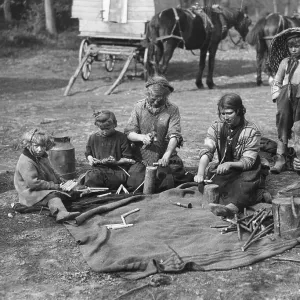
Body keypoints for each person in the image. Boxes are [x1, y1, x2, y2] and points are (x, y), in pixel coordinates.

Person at [194, 93, 264, 218]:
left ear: (238, 111)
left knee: (243, 186)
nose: (225, 117)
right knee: (207, 185)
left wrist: (230, 164)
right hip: (226, 169)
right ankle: (251, 196)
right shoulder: (216, 127)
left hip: (247, 169)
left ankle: (233, 208)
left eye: (229, 113)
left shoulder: (252, 131)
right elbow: (207, 150)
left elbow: (248, 161)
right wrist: (200, 173)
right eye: (222, 113)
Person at [124, 75, 192, 192]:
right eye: (153, 98)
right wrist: (141, 137)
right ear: (148, 94)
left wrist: (167, 155)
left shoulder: (172, 109)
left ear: (166, 96)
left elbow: (174, 135)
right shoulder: (139, 107)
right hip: (141, 157)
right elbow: (129, 132)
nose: (155, 101)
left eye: (160, 99)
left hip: (164, 156)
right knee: (134, 182)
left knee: (167, 181)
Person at [14, 128, 80, 223]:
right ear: (28, 145)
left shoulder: (41, 156)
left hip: (41, 188)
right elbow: (33, 184)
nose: (40, 149)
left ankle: (60, 204)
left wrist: (62, 181)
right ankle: (61, 214)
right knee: (53, 195)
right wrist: (56, 186)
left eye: (43, 146)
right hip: (30, 193)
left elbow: (52, 171)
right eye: (36, 146)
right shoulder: (26, 161)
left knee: (70, 193)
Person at [270, 28, 300, 174]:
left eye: (297, 46)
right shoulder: (285, 62)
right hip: (285, 96)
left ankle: (297, 158)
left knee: (299, 126)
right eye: (291, 46)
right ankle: (281, 158)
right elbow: (277, 80)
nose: (294, 49)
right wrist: (277, 96)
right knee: (283, 124)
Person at [82, 110, 135, 189]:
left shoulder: (121, 138)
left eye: (107, 128)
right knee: (90, 176)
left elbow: (128, 159)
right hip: (98, 170)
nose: (104, 132)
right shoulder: (93, 138)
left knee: (94, 178)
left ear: (115, 124)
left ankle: (98, 186)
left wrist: (116, 162)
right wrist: (91, 159)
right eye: (101, 129)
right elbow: (88, 153)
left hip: (117, 172)